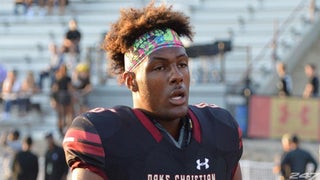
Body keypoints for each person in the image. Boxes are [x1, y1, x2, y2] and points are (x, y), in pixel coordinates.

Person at [63, 2, 243, 180]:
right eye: (159, 67)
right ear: (131, 81)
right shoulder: (105, 137)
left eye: (182, 64)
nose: (177, 76)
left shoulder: (220, 129)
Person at [51, 64, 74, 137]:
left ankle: (66, 130)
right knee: (61, 116)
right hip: (61, 98)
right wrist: (54, 100)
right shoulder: (58, 79)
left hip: (64, 98)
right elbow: (55, 90)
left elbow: (70, 89)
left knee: (67, 115)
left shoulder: (63, 78)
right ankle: (62, 130)